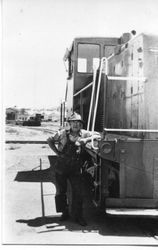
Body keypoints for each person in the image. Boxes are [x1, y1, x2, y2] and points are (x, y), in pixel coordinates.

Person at [47, 112, 101, 226]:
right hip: (61, 167)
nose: (75, 125)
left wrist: (86, 140)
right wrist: (57, 152)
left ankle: (78, 216)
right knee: (61, 192)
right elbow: (49, 140)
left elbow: (99, 135)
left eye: (78, 122)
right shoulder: (62, 134)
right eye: (73, 122)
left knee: (78, 192)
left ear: (81, 124)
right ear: (69, 124)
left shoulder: (84, 133)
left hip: (76, 168)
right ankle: (64, 212)